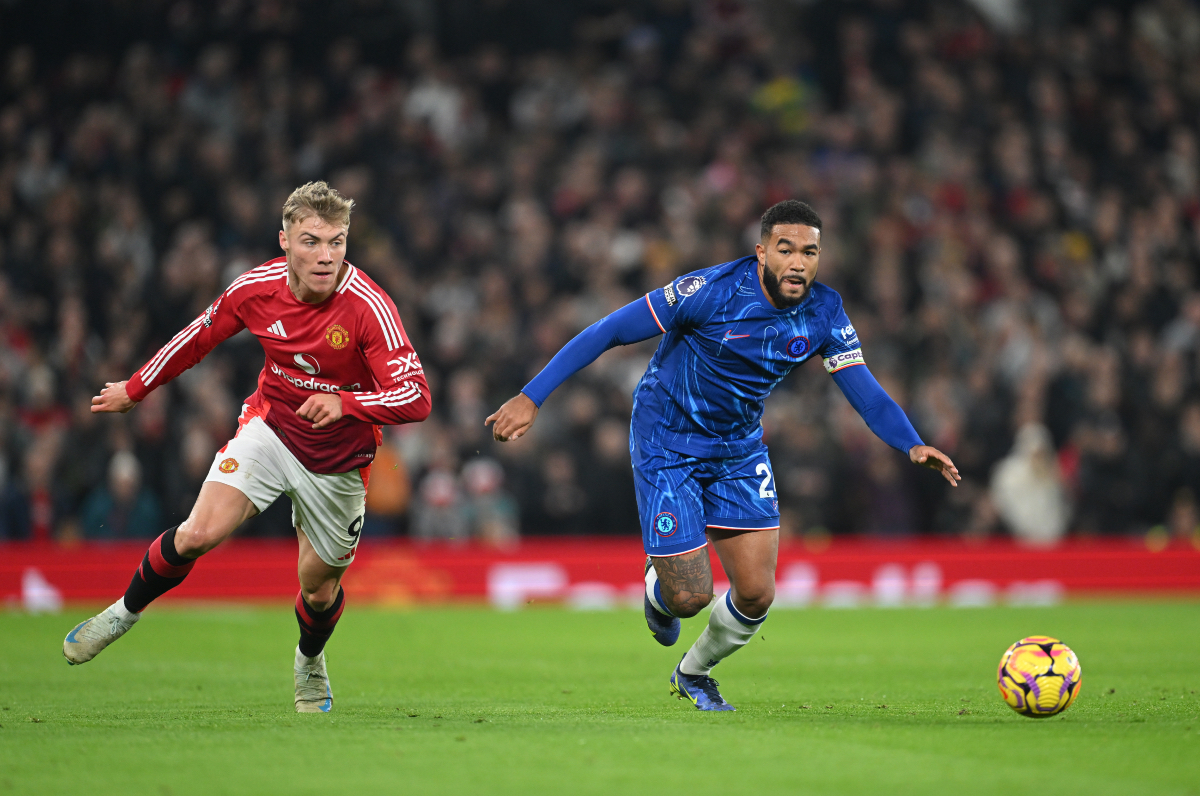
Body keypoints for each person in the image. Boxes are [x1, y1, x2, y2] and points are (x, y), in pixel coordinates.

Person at [486, 200, 959, 711]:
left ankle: (693, 674)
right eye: (786, 249)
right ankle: (657, 589)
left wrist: (911, 442)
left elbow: (864, 390)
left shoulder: (825, 311)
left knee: (757, 593)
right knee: (688, 598)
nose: (798, 262)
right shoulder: (710, 291)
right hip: (667, 438)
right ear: (761, 253)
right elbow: (609, 331)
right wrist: (531, 395)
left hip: (738, 447)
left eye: (810, 251)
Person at [62, 182, 431, 713]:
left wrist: (347, 404)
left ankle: (309, 661)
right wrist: (135, 388)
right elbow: (198, 336)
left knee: (318, 591)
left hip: (338, 463)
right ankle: (121, 613)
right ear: (284, 241)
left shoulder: (369, 307)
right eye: (311, 241)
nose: (326, 256)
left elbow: (416, 396)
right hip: (271, 430)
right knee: (196, 534)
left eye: (337, 242)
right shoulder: (255, 289)